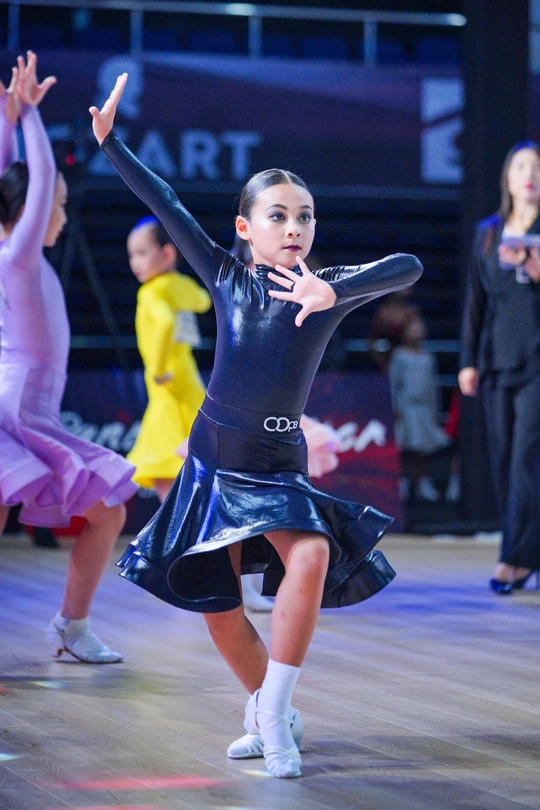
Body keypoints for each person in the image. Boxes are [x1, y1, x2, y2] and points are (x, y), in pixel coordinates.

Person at [90, 73, 422, 778]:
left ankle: (273, 712)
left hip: (275, 462)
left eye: (305, 216)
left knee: (312, 555)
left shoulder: (326, 289)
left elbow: (409, 265)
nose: (294, 228)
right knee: (217, 603)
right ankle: (271, 714)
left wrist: (336, 290)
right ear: (245, 228)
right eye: (278, 215)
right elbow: (167, 203)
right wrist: (112, 144)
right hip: (213, 459)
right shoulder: (224, 275)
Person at [0, 53, 138, 663]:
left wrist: (7, 121)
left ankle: (71, 626)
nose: (59, 214)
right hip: (16, 409)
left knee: (107, 510)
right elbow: (31, 182)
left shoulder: (16, 254)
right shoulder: (17, 257)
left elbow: (9, 180)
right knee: (100, 509)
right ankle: (71, 626)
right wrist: (29, 115)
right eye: (55, 204)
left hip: (32, 408)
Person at [459, 140, 540, 594]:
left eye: (537, 168)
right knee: (505, 459)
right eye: (521, 167)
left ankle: (512, 559)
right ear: (508, 178)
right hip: (496, 361)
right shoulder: (488, 232)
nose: (530, 175)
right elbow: (476, 302)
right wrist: (468, 361)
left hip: (537, 361)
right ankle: (527, 554)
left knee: (526, 458)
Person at [126, 214, 212, 502]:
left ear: (167, 254)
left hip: (166, 382)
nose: (135, 262)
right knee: (195, 450)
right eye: (131, 255)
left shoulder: (151, 292)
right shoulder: (180, 286)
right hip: (188, 376)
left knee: (165, 461)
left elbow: (164, 322)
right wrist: (180, 291)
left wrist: (159, 369)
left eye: (142, 253)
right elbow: (204, 300)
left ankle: (175, 525)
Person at [388, 312, 452, 502]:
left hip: (424, 408)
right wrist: (394, 407)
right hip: (406, 408)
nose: (417, 332)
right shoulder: (399, 356)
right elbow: (393, 383)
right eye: (412, 329)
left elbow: (432, 386)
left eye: (419, 328)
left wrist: (435, 409)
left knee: (425, 448)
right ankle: (403, 482)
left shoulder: (428, 357)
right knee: (407, 448)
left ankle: (423, 482)